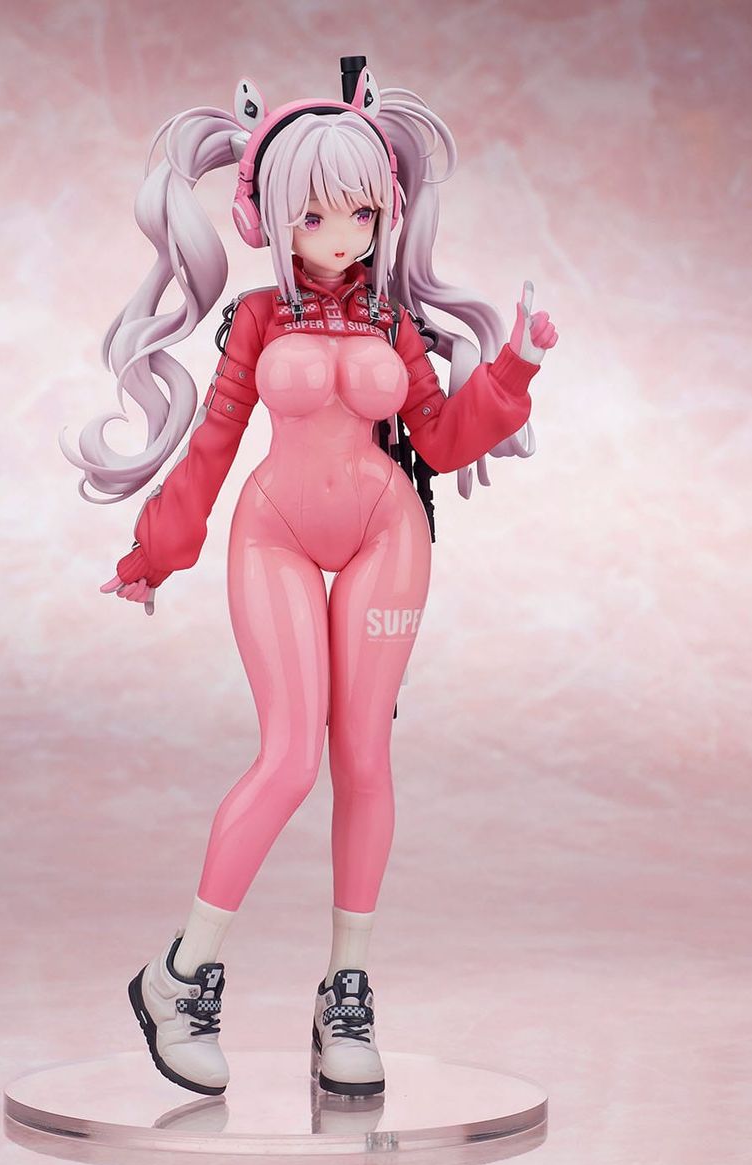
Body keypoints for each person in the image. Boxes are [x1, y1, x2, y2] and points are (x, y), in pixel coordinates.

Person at [60, 58, 558, 1099]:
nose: (343, 236)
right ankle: (180, 976)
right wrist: (157, 550)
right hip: (274, 535)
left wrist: (514, 368)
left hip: (386, 535)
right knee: (289, 759)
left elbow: (440, 436)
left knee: (365, 758)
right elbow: (212, 443)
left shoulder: (391, 322)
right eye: (318, 214)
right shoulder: (256, 319)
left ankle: (347, 991)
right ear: (267, 215)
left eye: (362, 212)